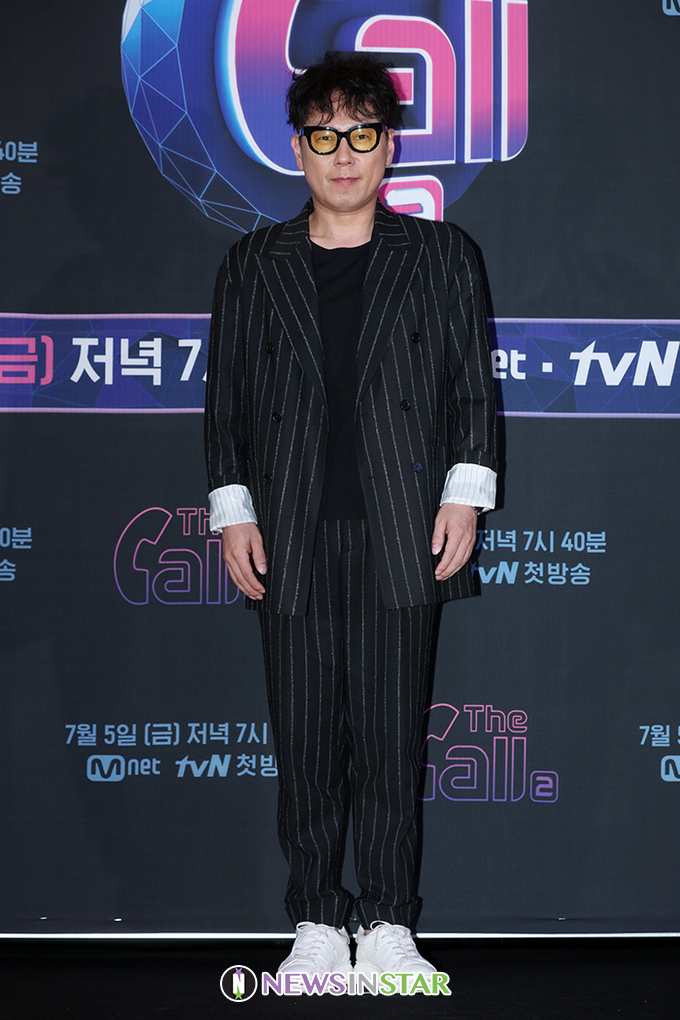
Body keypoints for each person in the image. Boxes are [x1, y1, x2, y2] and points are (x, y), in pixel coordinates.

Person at [205, 51, 497, 978]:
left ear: (388, 146)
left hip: (401, 529)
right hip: (287, 532)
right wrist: (233, 512)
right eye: (324, 136)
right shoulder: (253, 264)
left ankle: (387, 923)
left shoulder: (442, 256)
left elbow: (471, 394)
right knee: (303, 738)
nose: (343, 155)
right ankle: (318, 925)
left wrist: (463, 496)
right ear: (297, 148)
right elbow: (226, 406)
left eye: (362, 135)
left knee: (387, 738)